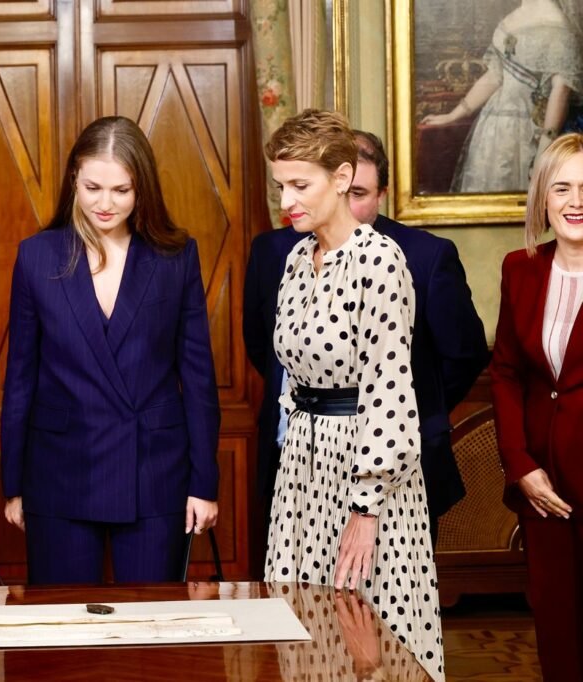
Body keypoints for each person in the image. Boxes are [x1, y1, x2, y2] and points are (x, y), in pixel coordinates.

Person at [263, 109, 444, 680]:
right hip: (302, 470)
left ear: (342, 178)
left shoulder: (380, 261)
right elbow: (292, 380)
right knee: (303, 623)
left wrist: (366, 507)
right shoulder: (295, 259)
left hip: (364, 476)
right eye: (280, 186)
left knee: (366, 634)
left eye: (300, 185)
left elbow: (390, 390)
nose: (287, 200)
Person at [0, 115, 220, 584]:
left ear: (142, 189)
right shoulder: (37, 255)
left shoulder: (176, 255)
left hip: (154, 471)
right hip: (59, 471)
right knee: (61, 636)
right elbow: (20, 377)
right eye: (92, 187)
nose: (105, 203)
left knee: (154, 632)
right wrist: (14, 485)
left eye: (121, 190)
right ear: (73, 179)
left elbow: (198, 377)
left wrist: (204, 484)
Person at [243, 130, 489, 546]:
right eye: (282, 187)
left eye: (360, 192)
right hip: (297, 457)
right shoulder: (287, 256)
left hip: (384, 463)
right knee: (301, 599)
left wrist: (405, 401)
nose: (288, 201)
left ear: (378, 193)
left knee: (366, 602)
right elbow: (263, 346)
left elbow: (463, 355)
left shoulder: (406, 256)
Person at [491, 132, 583, 681]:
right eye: (563, 187)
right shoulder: (519, 267)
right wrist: (519, 463)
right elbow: (505, 370)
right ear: (543, 199)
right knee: (555, 624)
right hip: (542, 484)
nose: (576, 201)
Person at [421, 0, 583, 193]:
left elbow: (561, 90)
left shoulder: (557, 25)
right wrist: (453, 115)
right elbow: (495, 75)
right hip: (493, 128)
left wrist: (544, 151)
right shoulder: (515, 16)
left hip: (527, 131)